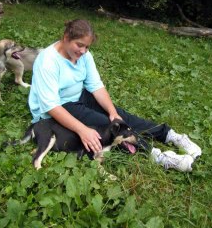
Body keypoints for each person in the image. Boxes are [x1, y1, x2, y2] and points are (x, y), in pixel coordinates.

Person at [28, 19, 202, 172]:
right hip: (59, 107)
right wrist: (82, 130)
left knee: (120, 119)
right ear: (66, 38)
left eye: (87, 46)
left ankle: (170, 135)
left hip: (79, 97)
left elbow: (96, 86)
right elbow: (51, 107)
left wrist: (113, 112)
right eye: (79, 45)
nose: (83, 51)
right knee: (108, 128)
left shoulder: (84, 56)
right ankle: (158, 156)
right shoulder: (47, 62)